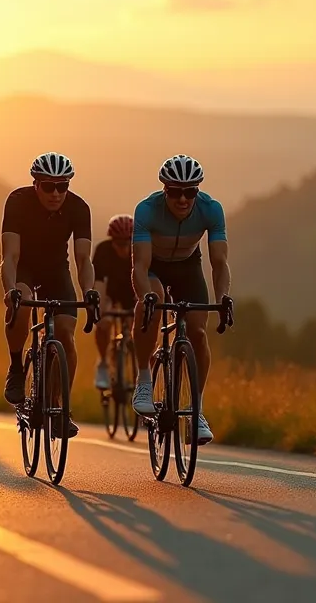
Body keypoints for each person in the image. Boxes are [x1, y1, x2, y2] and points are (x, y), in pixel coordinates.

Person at [130, 154, 233, 446]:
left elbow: (219, 262)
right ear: (165, 190)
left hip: (188, 266)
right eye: (175, 192)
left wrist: (223, 297)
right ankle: (144, 381)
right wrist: (145, 296)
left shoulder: (211, 210)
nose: (183, 199)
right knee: (153, 301)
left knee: (199, 332)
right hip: (153, 265)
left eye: (190, 192)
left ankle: (197, 411)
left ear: (198, 191)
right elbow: (138, 266)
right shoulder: (147, 210)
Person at [0, 152, 100, 439]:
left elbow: (83, 259)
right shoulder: (18, 202)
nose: (56, 193)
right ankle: (17, 367)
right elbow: (10, 255)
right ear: (35, 185)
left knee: (67, 334)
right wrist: (10, 291)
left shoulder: (79, 208)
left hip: (57, 270)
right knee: (20, 304)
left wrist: (90, 292)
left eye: (63, 186)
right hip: (24, 268)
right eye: (48, 186)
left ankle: (60, 408)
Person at [93, 214, 138, 390]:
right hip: (110, 291)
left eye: (127, 243)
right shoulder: (103, 251)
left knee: (139, 328)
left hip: (132, 291)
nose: (123, 248)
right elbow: (98, 284)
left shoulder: (140, 250)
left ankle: (139, 369)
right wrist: (101, 308)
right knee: (104, 323)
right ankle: (103, 362)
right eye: (119, 243)